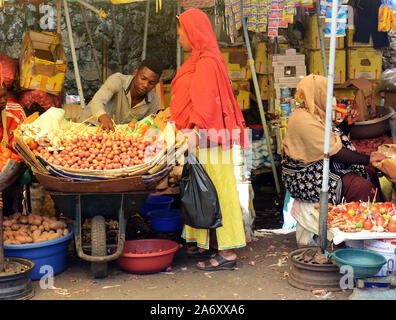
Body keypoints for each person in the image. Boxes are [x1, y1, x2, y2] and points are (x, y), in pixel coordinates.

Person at [170, 9, 249, 271]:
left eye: (181, 31)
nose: (179, 36)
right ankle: (213, 243)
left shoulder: (206, 62)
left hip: (209, 138)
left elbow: (206, 106)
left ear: (192, 32)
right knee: (206, 190)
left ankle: (227, 252)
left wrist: (194, 130)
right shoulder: (202, 58)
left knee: (217, 191)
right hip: (206, 139)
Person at [281, 74, 387, 205]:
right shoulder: (303, 120)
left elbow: (329, 139)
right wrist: (368, 159)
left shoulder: (315, 114)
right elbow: (332, 151)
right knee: (361, 187)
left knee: (369, 173)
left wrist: (347, 124)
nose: (330, 99)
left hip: (321, 164)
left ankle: (382, 214)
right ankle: (365, 220)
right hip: (306, 175)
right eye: (326, 94)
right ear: (316, 95)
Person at [81, 58, 164, 131]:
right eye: (143, 78)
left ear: (156, 83)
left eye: (151, 82)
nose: (145, 85)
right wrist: (103, 117)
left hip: (117, 135)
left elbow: (145, 125)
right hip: (90, 126)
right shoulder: (117, 80)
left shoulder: (154, 102)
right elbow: (97, 101)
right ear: (135, 73)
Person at [0, 81, 27, 216]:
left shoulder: (16, 112)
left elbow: (26, 144)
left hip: (13, 172)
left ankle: (13, 214)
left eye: (5, 96)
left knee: (11, 213)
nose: (3, 101)